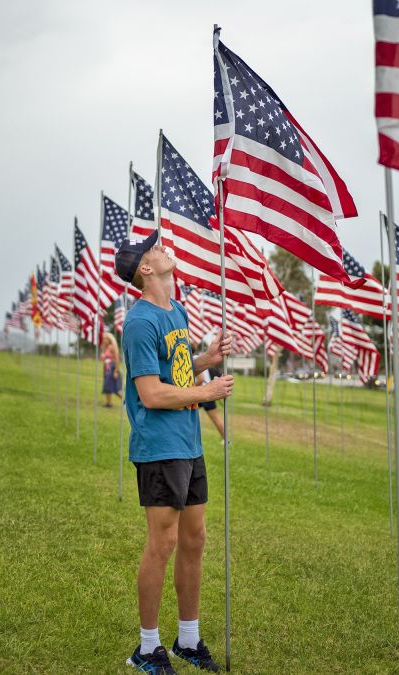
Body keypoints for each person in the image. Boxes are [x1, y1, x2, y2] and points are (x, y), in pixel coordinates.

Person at [114, 231, 233, 673]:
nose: (164, 248)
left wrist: (204, 359)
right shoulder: (141, 322)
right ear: (146, 269)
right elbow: (150, 394)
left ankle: (188, 639)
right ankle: (147, 648)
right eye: (155, 247)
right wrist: (207, 389)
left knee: (194, 540)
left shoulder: (177, 310)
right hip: (159, 447)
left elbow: (176, 371)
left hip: (188, 443)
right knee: (161, 544)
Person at [196, 366, 226, 440]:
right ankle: (226, 440)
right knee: (215, 418)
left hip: (202, 392)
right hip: (204, 392)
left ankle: (226, 440)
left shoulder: (193, 358)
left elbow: (201, 379)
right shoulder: (199, 358)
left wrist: (188, 388)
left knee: (215, 418)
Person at [101, 332, 121, 407]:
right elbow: (105, 359)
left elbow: (117, 359)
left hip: (112, 368)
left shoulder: (112, 347)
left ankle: (126, 402)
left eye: (106, 338)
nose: (104, 340)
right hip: (106, 368)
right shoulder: (105, 348)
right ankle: (108, 403)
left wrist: (116, 371)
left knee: (115, 389)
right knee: (107, 386)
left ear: (109, 339)